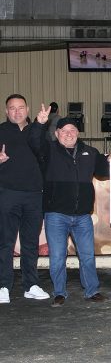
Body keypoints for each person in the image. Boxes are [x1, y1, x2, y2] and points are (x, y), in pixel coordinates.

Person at [29, 111, 111, 307]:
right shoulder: (48, 151)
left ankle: (91, 291)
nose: (69, 133)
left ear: (78, 133)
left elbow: (104, 172)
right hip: (56, 215)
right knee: (58, 257)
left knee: (87, 256)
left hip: (83, 216)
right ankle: (59, 292)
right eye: (64, 130)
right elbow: (34, 141)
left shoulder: (90, 152)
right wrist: (39, 124)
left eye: (73, 130)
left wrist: (110, 159)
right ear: (57, 133)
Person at [0, 94, 50, 304]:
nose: (17, 111)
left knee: (30, 243)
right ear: (6, 111)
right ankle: (3, 286)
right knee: (5, 243)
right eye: (12, 108)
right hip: (7, 193)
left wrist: (40, 124)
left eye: (21, 107)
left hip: (33, 195)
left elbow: (40, 147)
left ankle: (31, 285)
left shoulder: (37, 131)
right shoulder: (0, 131)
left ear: (27, 109)